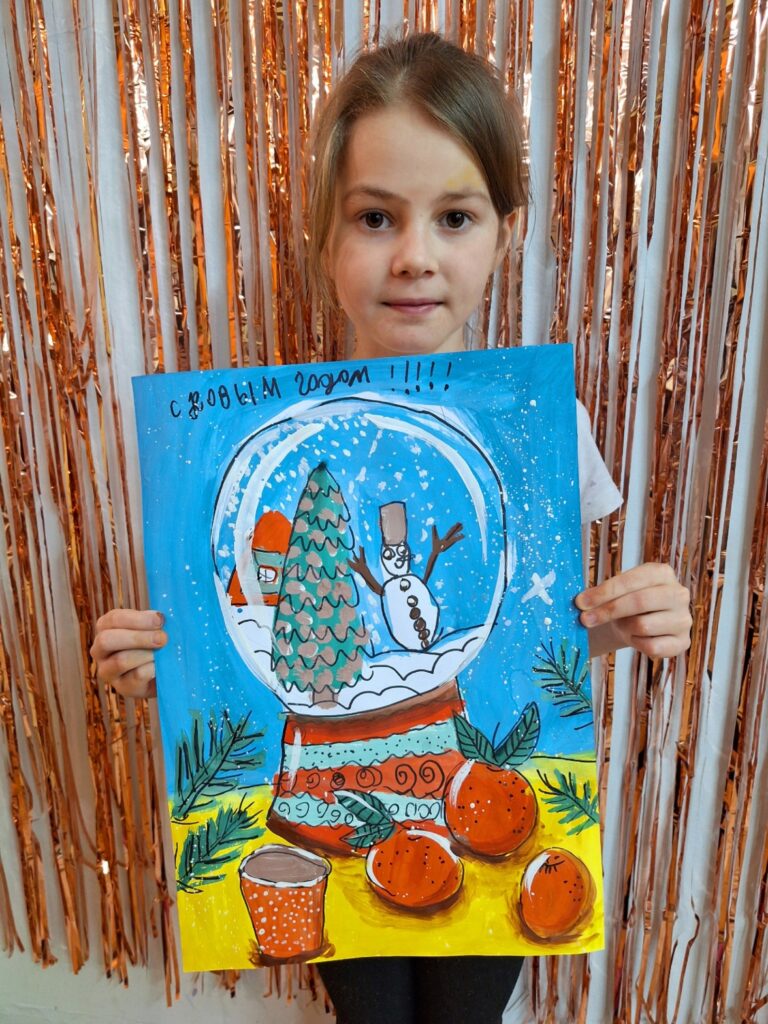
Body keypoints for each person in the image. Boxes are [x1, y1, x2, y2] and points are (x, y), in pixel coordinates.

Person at [91, 32, 692, 1024]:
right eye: (376, 217)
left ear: (504, 233)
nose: (415, 255)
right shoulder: (261, 441)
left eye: (454, 217)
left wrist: (624, 623)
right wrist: (170, 665)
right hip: (330, 788)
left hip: (471, 771)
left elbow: (538, 632)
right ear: (326, 239)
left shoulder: (543, 428)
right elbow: (240, 643)